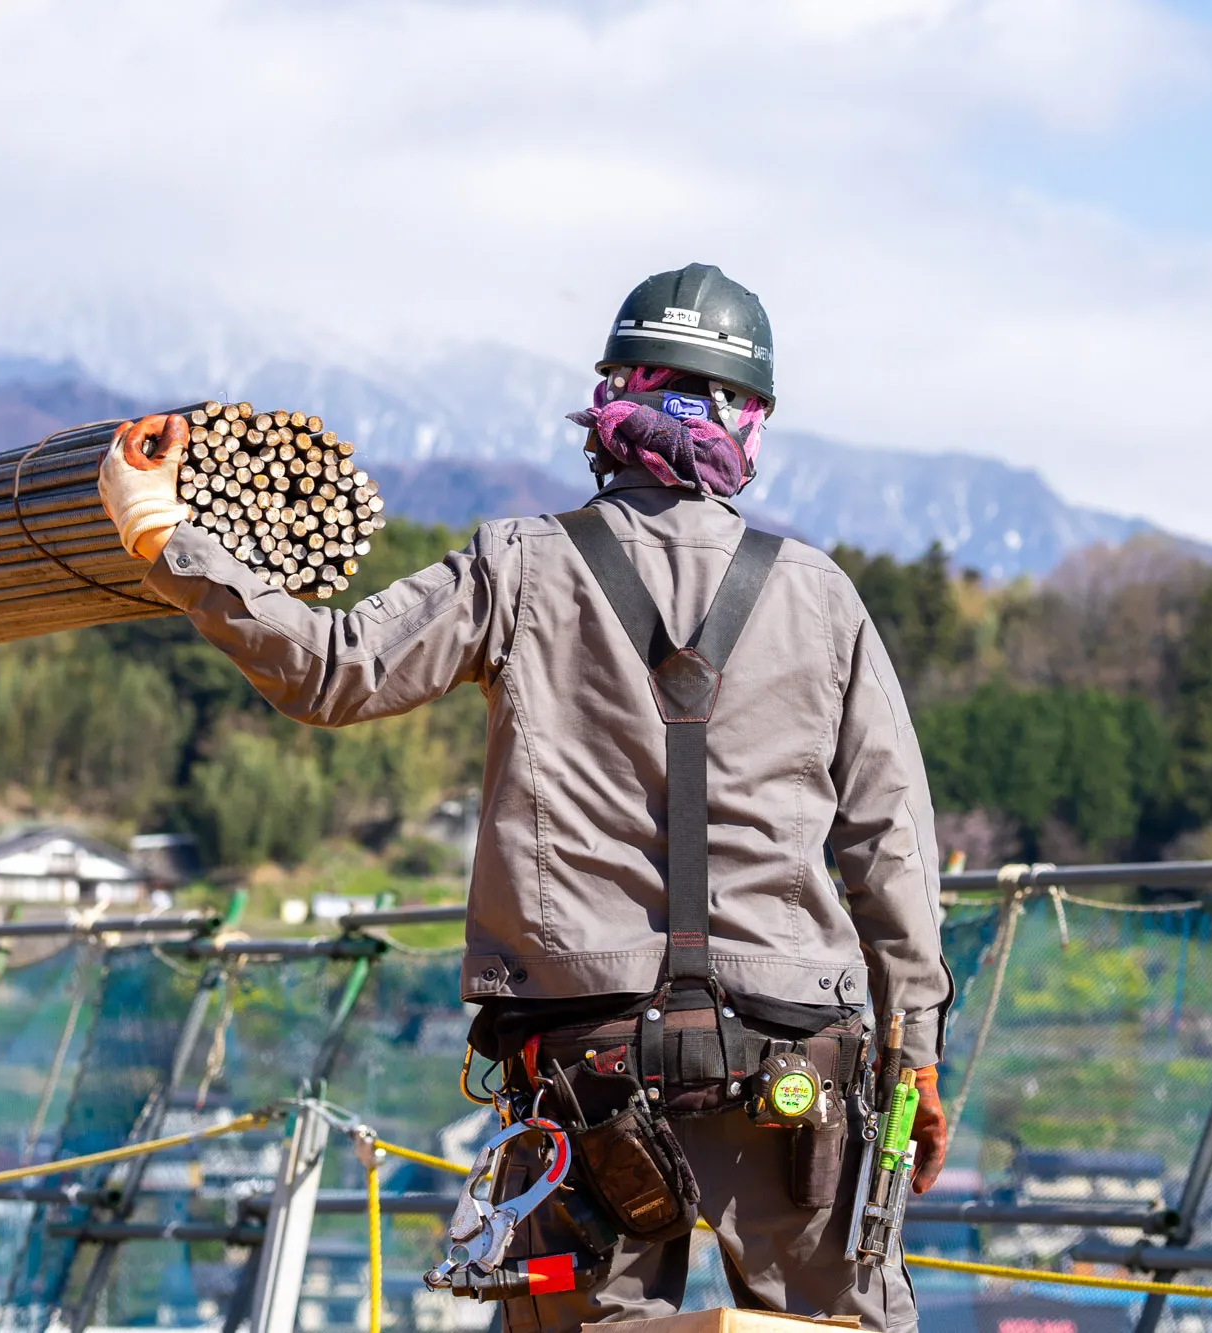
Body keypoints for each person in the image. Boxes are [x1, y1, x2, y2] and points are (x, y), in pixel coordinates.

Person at [100, 263, 951, 1331]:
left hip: (587, 1070)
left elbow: (333, 668)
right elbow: (890, 847)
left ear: (611, 403)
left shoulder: (518, 566)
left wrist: (163, 537)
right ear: (748, 422)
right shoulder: (820, 597)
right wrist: (912, 1058)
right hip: (797, 1067)